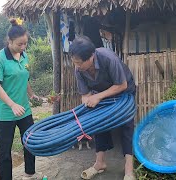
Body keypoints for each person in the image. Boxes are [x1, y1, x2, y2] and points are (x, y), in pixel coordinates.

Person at [69, 36, 136, 180]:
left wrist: (98, 97)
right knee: (98, 123)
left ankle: (129, 169)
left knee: (126, 126)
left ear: (91, 57)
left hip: (124, 92)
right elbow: (85, 95)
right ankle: (100, 163)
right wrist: (88, 102)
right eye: (74, 62)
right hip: (100, 95)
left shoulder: (108, 58)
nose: (76, 66)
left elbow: (121, 85)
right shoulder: (79, 69)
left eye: (79, 62)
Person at [0, 18, 42, 179]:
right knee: (5, 151)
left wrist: (31, 94)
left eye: (25, 43)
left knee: (30, 142)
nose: (23, 47)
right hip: (6, 112)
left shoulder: (24, 56)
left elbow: (24, 78)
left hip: (24, 110)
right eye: (20, 44)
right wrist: (12, 105)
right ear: (9, 41)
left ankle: (30, 173)